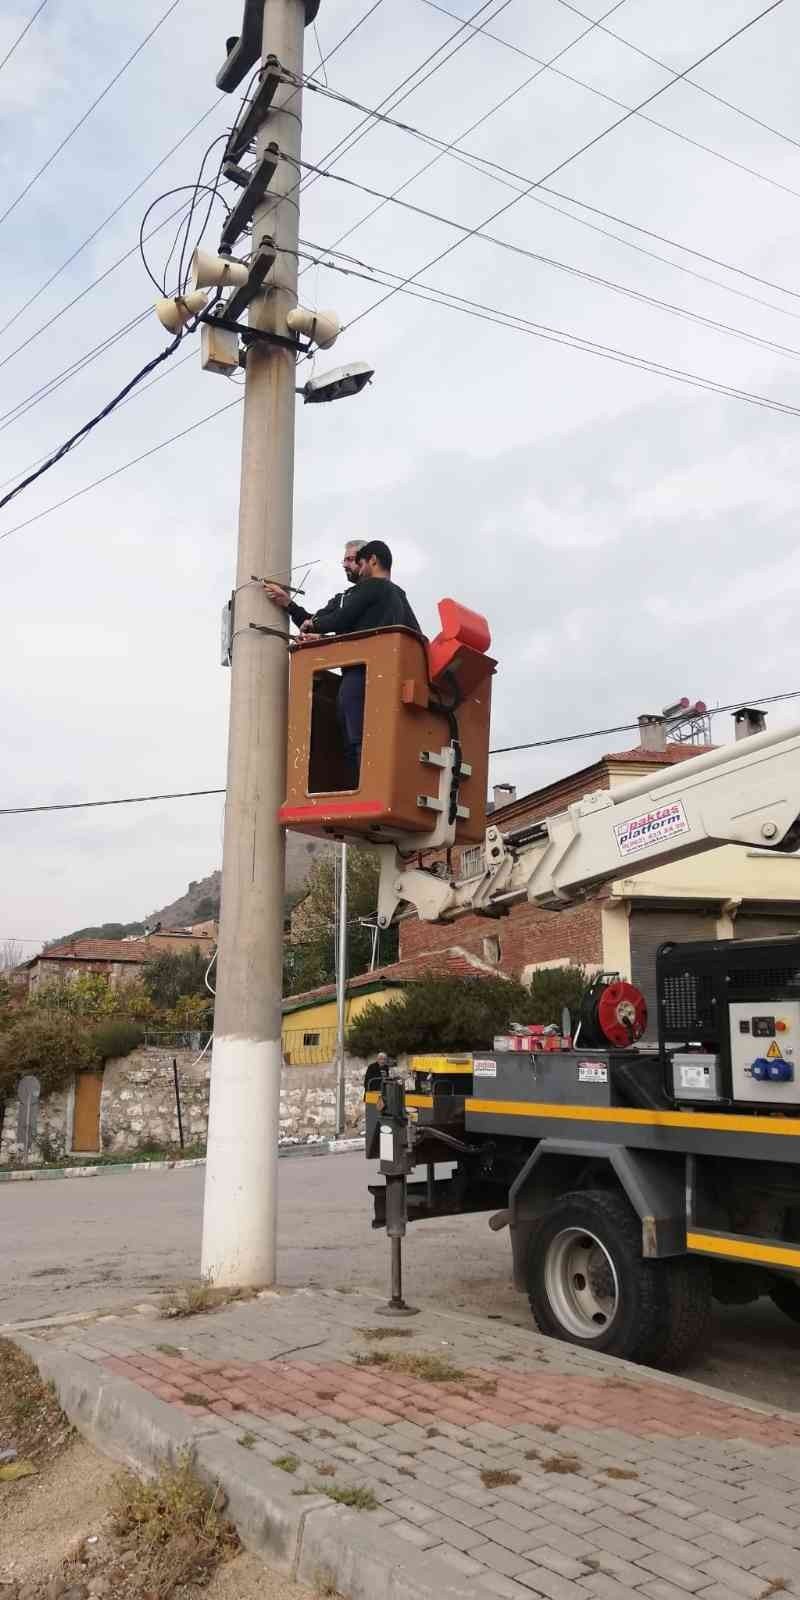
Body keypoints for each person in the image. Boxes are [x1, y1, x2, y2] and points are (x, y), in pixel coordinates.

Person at [301, 541, 421, 787]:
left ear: (372, 561)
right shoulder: (398, 596)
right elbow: (414, 635)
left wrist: (314, 626)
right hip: (387, 678)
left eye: (359, 562)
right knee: (374, 739)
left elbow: (341, 617)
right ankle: (376, 788)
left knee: (353, 739)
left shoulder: (371, 588)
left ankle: (359, 789)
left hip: (358, 674)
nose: (354, 566)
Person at [261, 539, 365, 627]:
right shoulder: (342, 599)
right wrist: (287, 602)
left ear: (367, 560)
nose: (345, 565)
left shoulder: (379, 591)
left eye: (350, 559)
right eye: (344, 561)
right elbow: (313, 622)